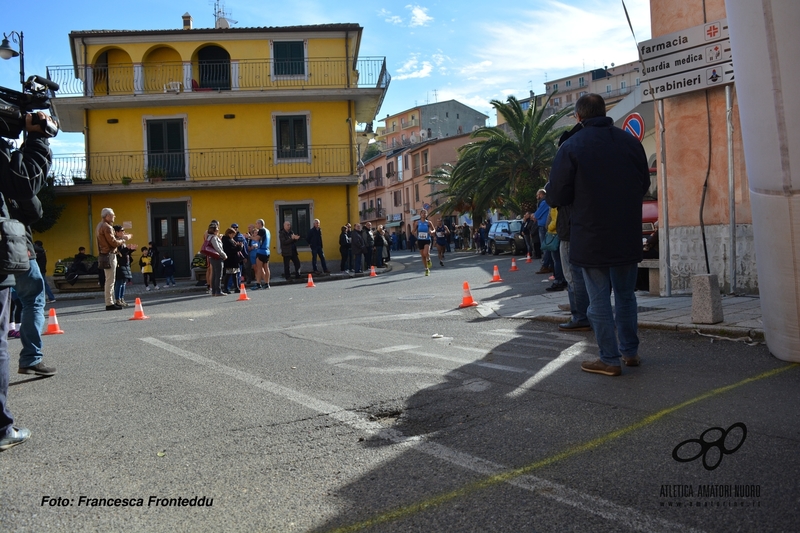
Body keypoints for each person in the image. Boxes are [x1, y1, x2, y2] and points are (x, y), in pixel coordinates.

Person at [547, 93, 650, 376]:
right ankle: (630, 352)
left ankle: (609, 359)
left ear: (579, 117)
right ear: (604, 112)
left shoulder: (571, 146)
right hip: (626, 233)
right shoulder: (630, 143)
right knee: (627, 296)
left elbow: (556, 195)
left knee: (599, 300)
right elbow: (643, 184)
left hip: (591, 237)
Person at [1, 111, 59, 449]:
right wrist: (36, 140)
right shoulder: (11, 165)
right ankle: (31, 357)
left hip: (15, 249)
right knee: (34, 295)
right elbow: (30, 198)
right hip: (15, 250)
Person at [96, 208, 132, 311]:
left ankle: (110, 302)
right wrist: (124, 239)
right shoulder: (107, 227)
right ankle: (109, 303)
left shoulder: (99, 225)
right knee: (110, 280)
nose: (114, 217)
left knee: (109, 280)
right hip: (109, 254)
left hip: (104, 254)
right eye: (113, 215)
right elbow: (113, 242)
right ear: (107, 216)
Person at [113, 225, 137, 307]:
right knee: (119, 282)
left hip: (125, 263)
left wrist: (130, 250)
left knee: (123, 282)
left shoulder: (122, 241)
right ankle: (117, 299)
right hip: (120, 264)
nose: (123, 232)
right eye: (121, 231)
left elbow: (125, 253)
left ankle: (122, 299)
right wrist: (127, 249)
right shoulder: (115, 241)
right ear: (116, 232)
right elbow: (119, 252)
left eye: (123, 230)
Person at [534, 189, 553, 274]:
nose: (536, 197)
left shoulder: (544, 202)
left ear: (541, 195)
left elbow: (537, 215)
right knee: (548, 247)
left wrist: (535, 216)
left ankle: (546, 265)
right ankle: (550, 265)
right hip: (545, 226)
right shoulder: (546, 201)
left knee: (545, 247)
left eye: (537, 195)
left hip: (543, 226)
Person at [205, 224, 226, 296]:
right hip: (217, 257)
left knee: (214, 274)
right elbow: (217, 248)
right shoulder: (213, 238)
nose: (218, 231)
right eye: (217, 230)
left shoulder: (209, 237)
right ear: (214, 231)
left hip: (212, 257)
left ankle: (214, 291)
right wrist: (224, 255)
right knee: (218, 275)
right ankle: (218, 291)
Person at [221, 227, 242, 293]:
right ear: (229, 233)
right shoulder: (227, 241)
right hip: (230, 260)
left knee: (234, 274)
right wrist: (239, 247)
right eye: (232, 234)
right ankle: (225, 288)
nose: (233, 236)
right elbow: (231, 250)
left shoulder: (230, 240)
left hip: (233, 260)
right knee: (229, 274)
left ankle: (236, 287)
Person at [252, 219, 271, 290]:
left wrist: (249, 237)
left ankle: (258, 283)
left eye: (257, 224)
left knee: (259, 268)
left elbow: (257, 239)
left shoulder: (261, 230)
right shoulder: (268, 231)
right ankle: (267, 283)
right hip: (267, 251)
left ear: (260, 224)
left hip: (261, 251)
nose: (256, 225)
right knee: (266, 268)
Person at [413, 209, 434, 275]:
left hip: (427, 239)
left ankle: (428, 259)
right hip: (420, 240)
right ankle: (426, 269)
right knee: (422, 255)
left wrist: (431, 232)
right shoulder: (417, 223)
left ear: (426, 214)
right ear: (420, 214)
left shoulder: (428, 222)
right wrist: (415, 235)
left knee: (426, 252)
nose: (423, 214)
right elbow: (413, 231)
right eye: (422, 213)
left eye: (425, 213)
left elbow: (434, 230)